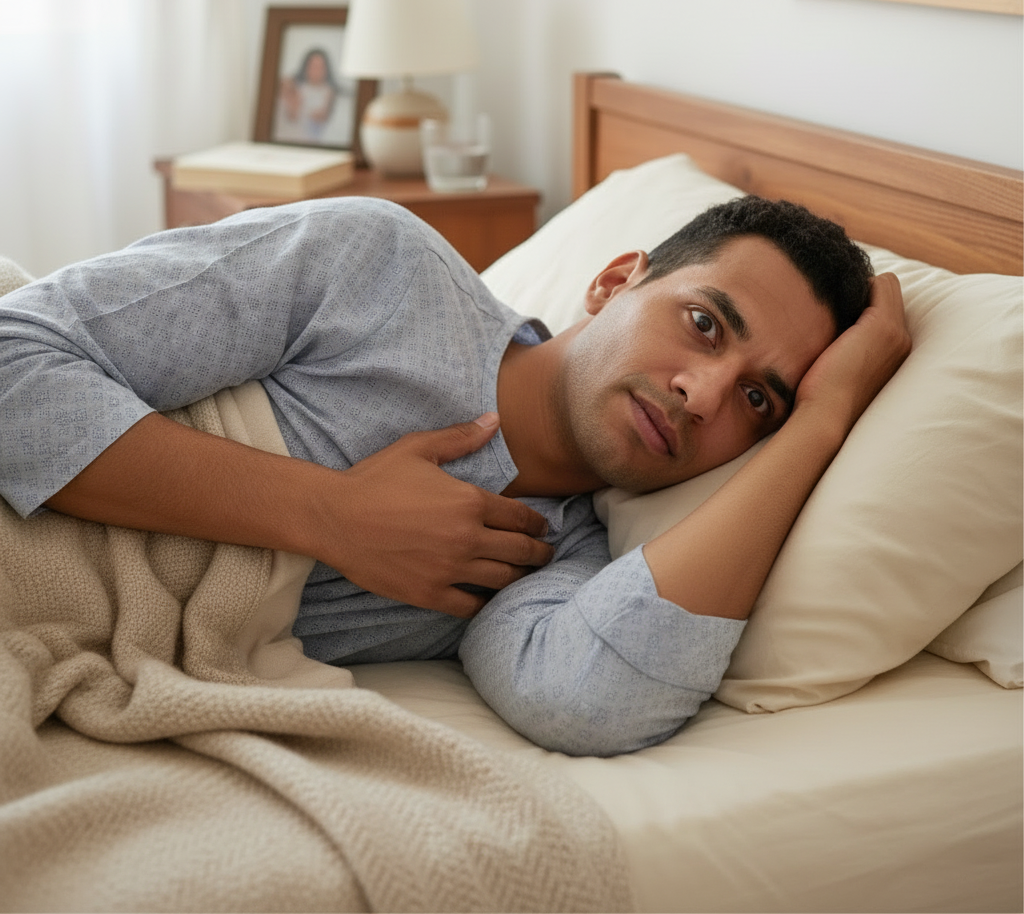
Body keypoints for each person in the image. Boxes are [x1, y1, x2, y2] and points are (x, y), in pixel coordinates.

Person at [0, 195, 910, 755]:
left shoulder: (554, 561)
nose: (704, 393)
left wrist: (821, 422)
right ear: (614, 280)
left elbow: (590, 703)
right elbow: (12, 359)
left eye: (760, 402)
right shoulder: (380, 268)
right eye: (706, 324)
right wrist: (328, 515)